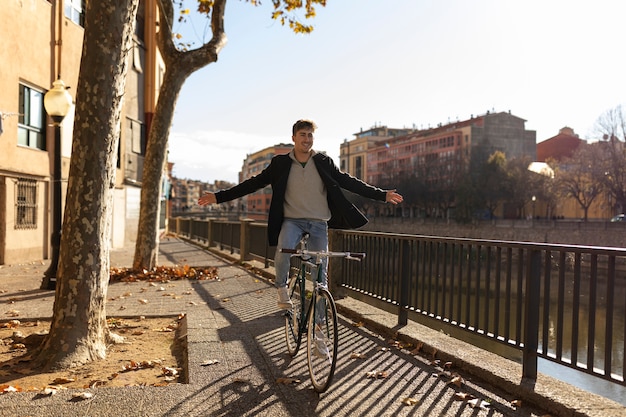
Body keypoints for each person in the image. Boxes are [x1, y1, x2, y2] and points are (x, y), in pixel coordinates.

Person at [198, 119, 403, 311]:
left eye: (310, 135)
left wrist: (382, 195)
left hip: (319, 223)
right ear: (294, 138)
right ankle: (281, 288)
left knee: (321, 278)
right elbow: (252, 184)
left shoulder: (323, 161)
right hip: (292, 222)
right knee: (283, 251)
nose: (307, 139)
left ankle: (320, 330)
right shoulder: (280, 164)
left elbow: (349, 182)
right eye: (303, 135)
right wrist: (218, 197)